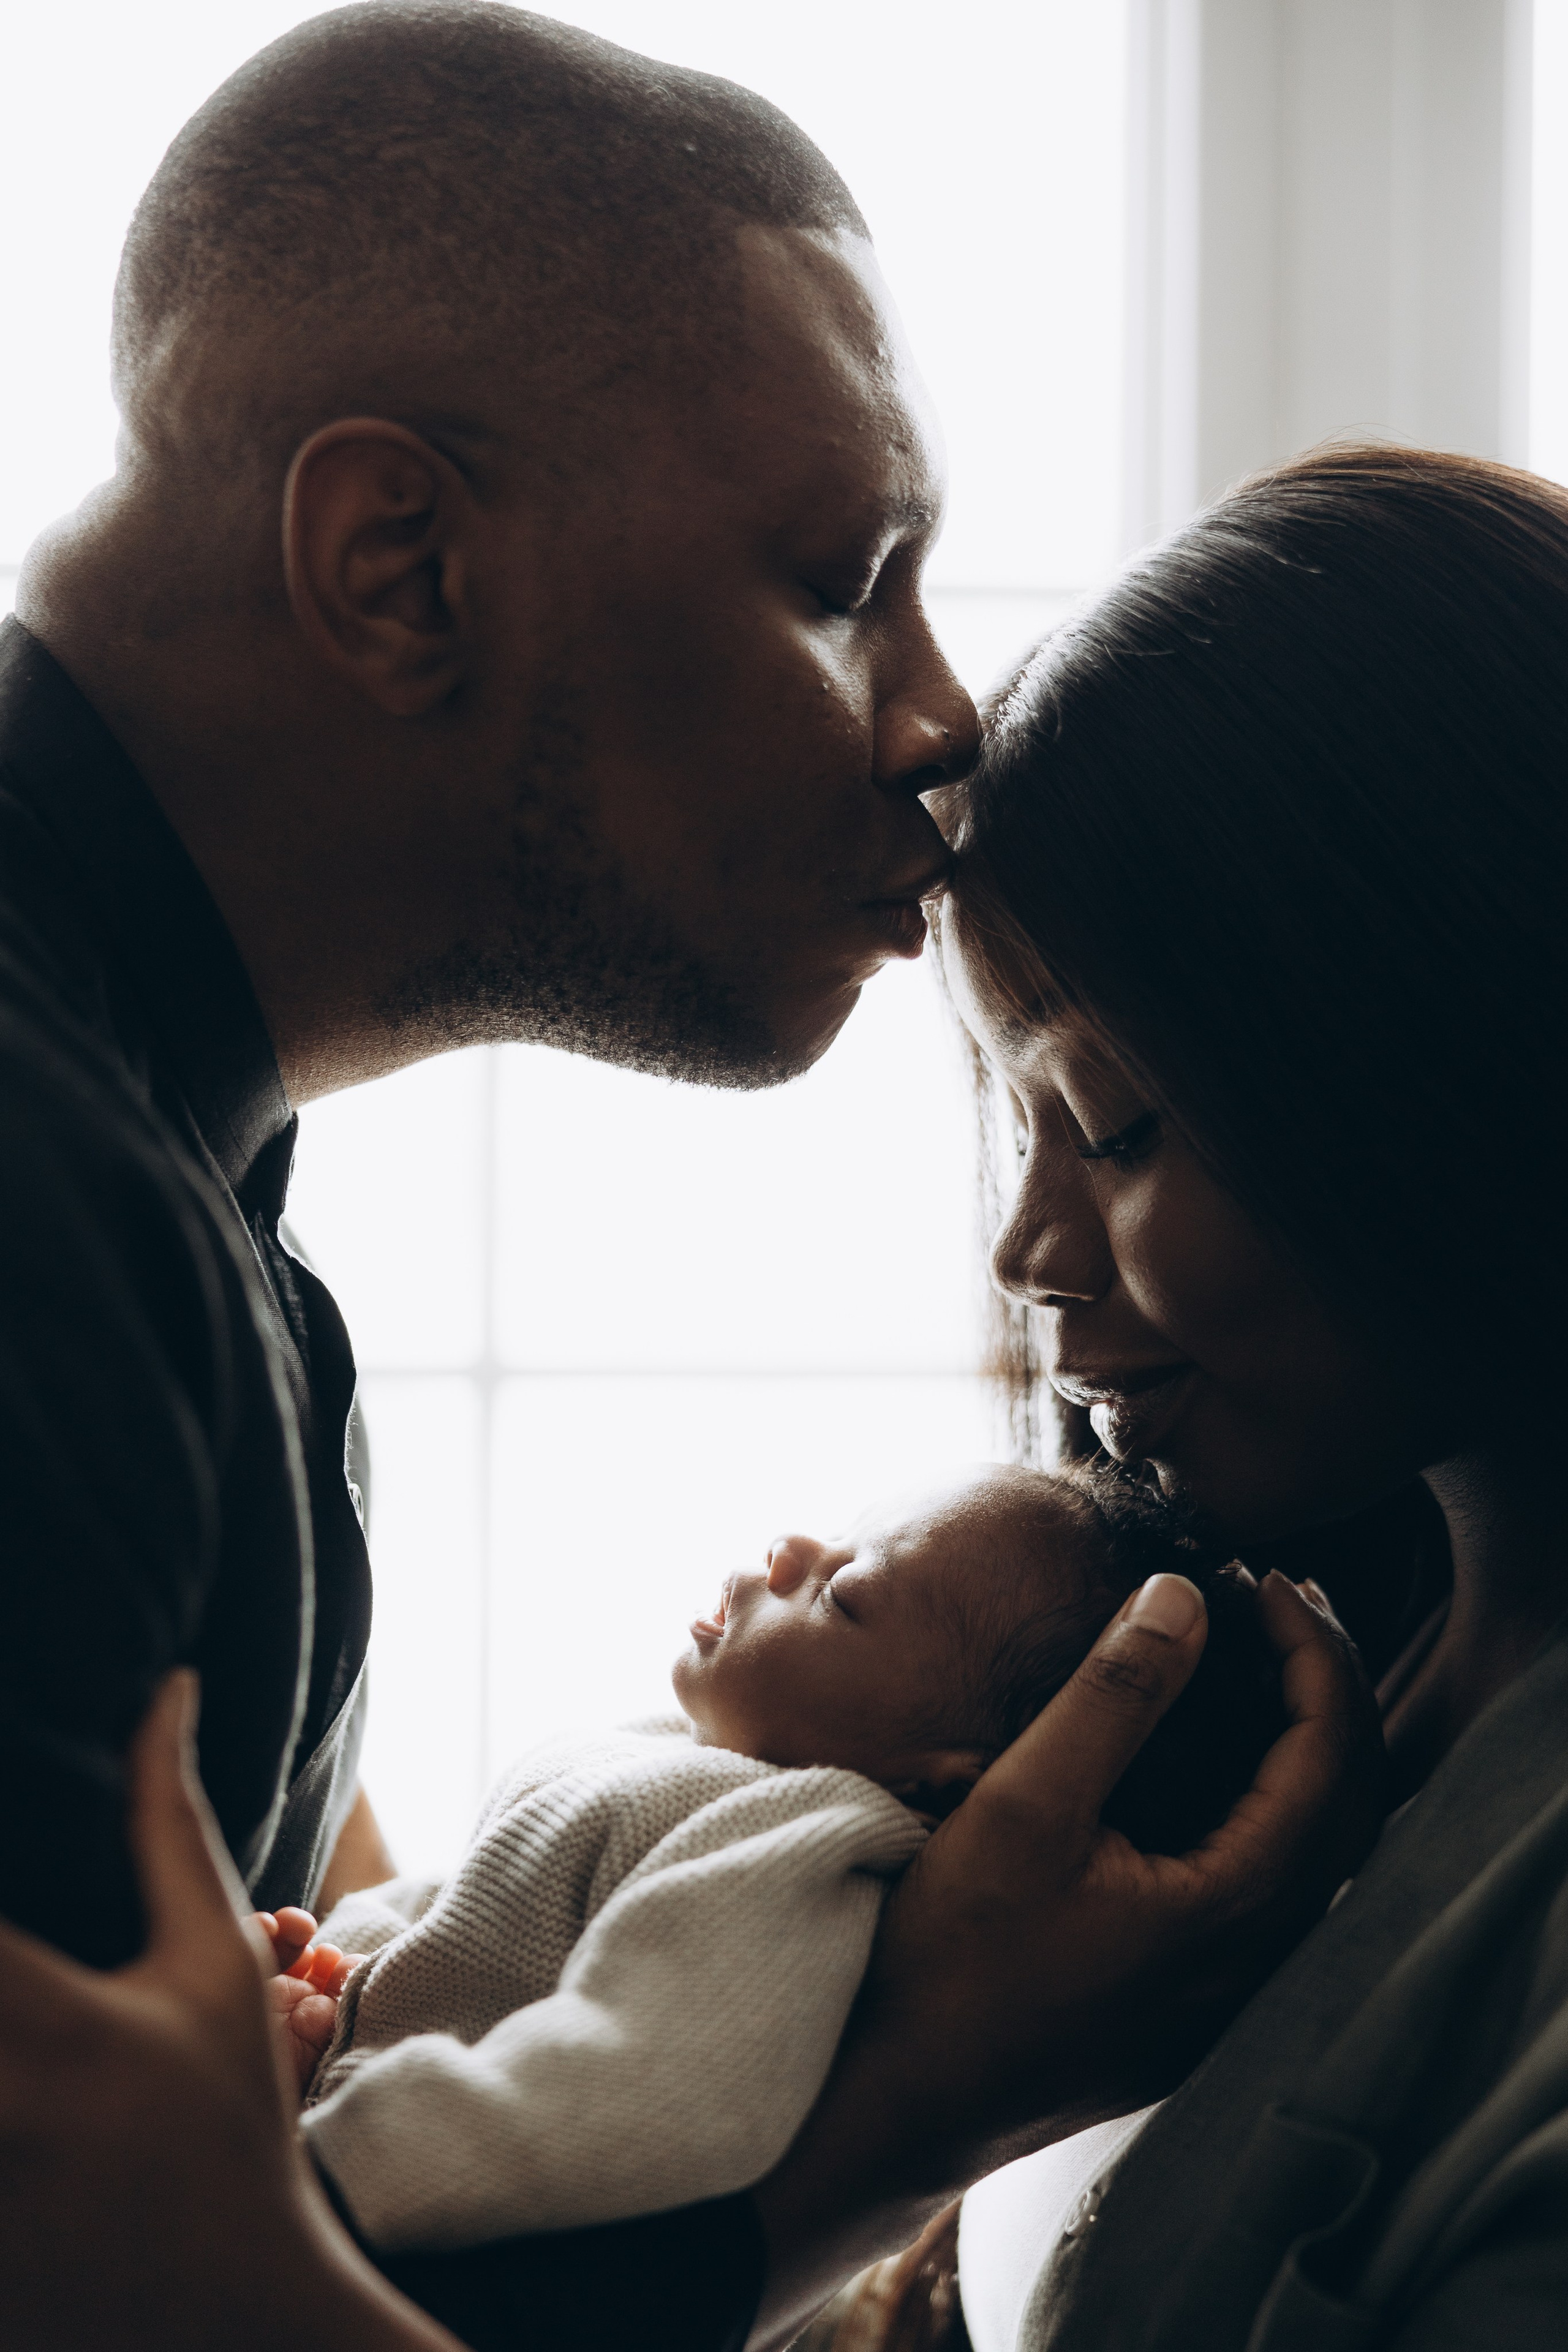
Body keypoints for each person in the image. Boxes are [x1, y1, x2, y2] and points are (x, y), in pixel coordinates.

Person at [0, 6, 1371, 2347]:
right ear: (398, 563)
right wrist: (912, 2108)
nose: (944, 722)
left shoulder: (196, 1205)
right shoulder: (48, 1240)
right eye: (848, 580)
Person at [940, 441, 1568, 2350]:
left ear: (1440, 1050)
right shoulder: (1303, 1687)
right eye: (1015, 1127)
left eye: (1111, 1123)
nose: (1029, 1252)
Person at [291, 1465, 1291, 2257]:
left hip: (385, 2210)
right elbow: (480, 1899)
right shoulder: (683, 1758)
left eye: (846, 1593)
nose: (790, 1551)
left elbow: (653, 2086)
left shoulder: (799, 1850)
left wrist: (325, 2159)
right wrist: (330, 1960)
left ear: (938, 1783)